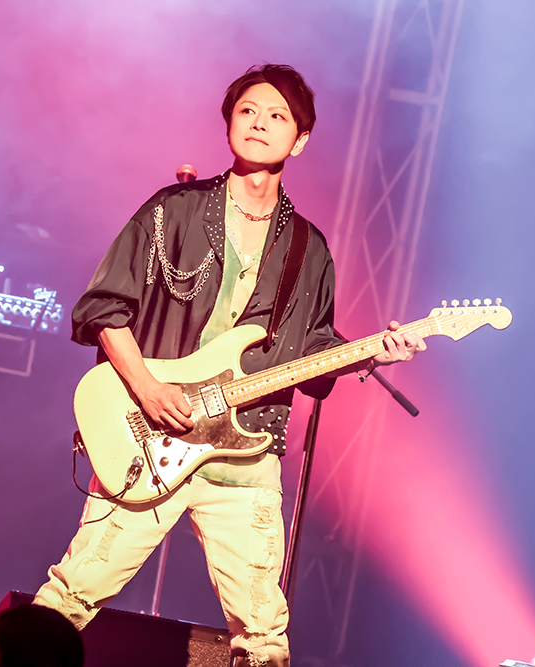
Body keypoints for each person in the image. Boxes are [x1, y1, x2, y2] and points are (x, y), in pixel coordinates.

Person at [33, 64, 426, 667]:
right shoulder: (173, 211)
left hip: (246, 460)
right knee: (71, 596)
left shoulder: (310, 249)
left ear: (300, 141)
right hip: (153, 438)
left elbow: (313, 359)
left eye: (277, 116)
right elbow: (103, 309)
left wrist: (372, 353)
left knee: (264, 640)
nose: (260, 123)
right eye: (248, 111)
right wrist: (148, 388)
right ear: (228, 125)